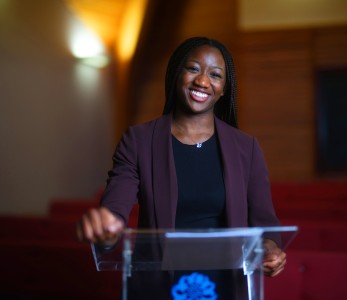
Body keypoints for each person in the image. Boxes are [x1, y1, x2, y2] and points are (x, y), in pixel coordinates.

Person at [76, 36, 286, 299]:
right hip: (158, 286)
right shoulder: (138, 141)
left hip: (227, 286)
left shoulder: (247, 147)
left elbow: (265, 225)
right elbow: (114, 212)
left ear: (224, 88)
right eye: (193, 69)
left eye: (215, 74)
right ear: (177, 74)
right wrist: (105, 231)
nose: (202, 81)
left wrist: (269, 248)